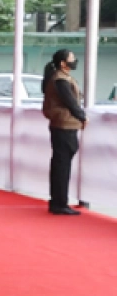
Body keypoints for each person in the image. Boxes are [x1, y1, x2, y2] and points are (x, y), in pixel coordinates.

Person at [41, 49, 87, 216]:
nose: (75, 61)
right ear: (63, 63)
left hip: (63, 124)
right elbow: (70, 101)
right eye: (72, 58)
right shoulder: (60, 79)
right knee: (62, 165)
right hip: (64, 124)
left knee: (60, 163)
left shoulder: (59, 77)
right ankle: (60, 203)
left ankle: (58, 201)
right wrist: (82, 116)